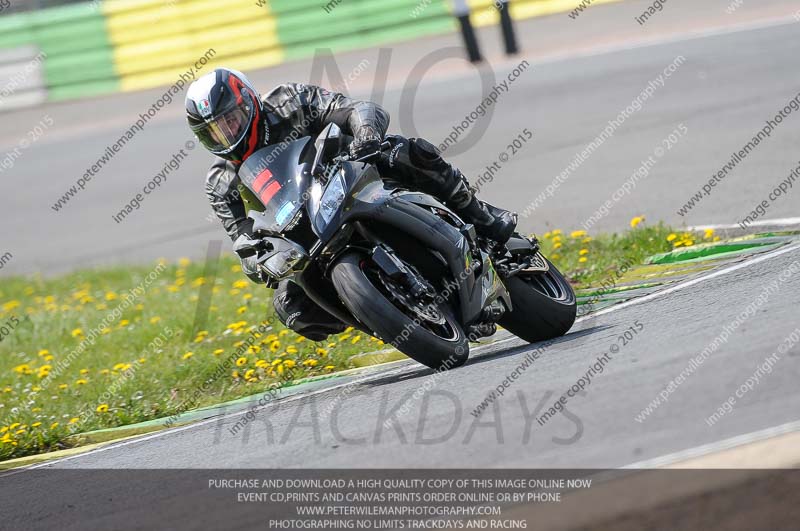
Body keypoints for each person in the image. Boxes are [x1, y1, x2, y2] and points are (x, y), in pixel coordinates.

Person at [186, 68, 517, 340]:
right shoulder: (220, 184)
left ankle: (482, 216)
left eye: (230, 120)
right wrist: (257, 261)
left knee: (405, 152)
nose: (226, 134)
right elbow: (244, 238)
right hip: (304, 236)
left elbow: (354, 109)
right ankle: (384, 313)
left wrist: (366, 133)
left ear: (248, 102)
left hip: (353, 175)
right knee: (291, 307)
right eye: (213, 132)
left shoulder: (288, 101)